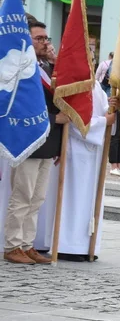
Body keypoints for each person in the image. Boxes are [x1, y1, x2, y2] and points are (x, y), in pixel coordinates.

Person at [3, 18, 68, 265]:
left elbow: (58, 102)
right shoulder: (20, 70)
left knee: (37, 197)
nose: (44, 42)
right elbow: (20, 109)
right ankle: (12, 245)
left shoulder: (45, 68)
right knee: (22, 196)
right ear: (27, 40)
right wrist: (55, 119)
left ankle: (27, 244)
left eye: (45, 38)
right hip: (28, 140)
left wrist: (59, 140)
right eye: (39, 38)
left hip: (47, 142)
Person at [34, 83, 117, 262]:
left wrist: (111, 108)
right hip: (75, 150)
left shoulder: (95, 85)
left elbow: (103, 111)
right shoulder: (75, 84)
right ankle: (67, 245)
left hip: (94, 152)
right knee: (72, 198)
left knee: (88, 200)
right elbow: (73, 120)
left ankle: (86, 245)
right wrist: (104, 122)